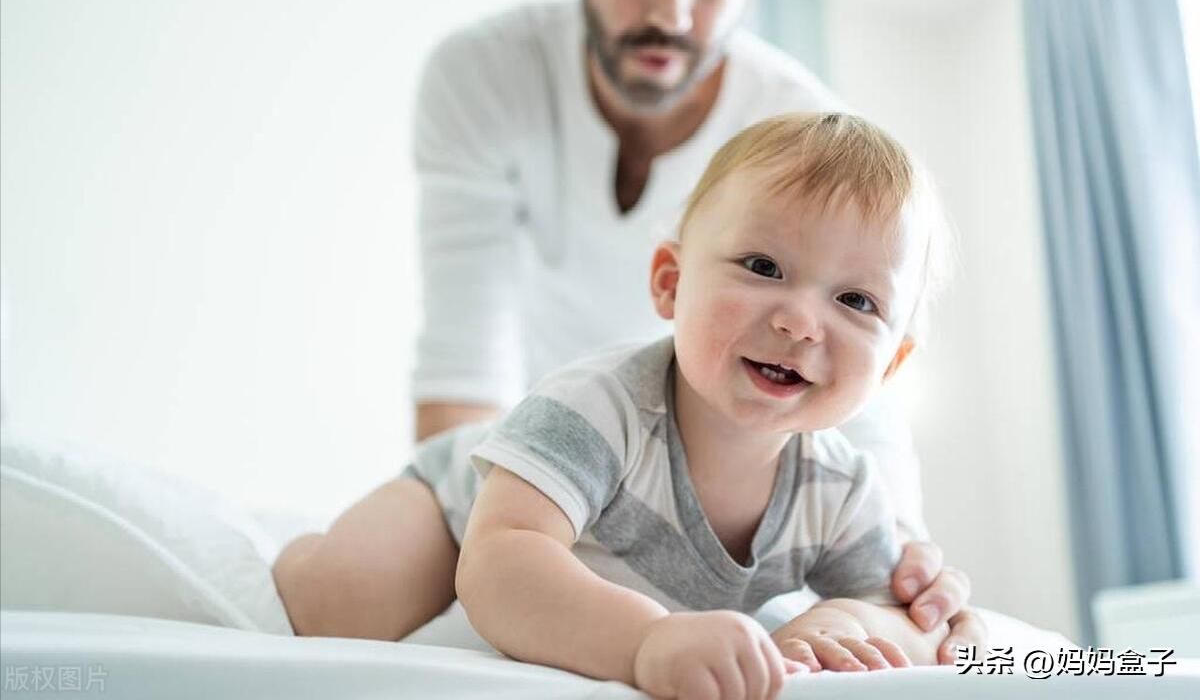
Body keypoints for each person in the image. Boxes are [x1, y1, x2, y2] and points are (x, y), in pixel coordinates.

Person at [408, 0, 980, 651]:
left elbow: (857, 395)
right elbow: (464, 351)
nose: (672, 12)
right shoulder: (482, 74)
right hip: (554, 447)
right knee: (346, 598)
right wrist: (485, 536)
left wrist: (905, 566)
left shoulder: (803, 133)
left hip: (718, 474)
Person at [275, 113, 957, 699]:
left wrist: (846, 627)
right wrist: (645, 641)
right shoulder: (598, 407)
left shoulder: (840, 491)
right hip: (470, 508)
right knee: (335, 608)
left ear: (893, 363)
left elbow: (895, 607)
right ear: (671, 282)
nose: (802, 322)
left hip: (546, 533)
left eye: (856, 301)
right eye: (762, 267)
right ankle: (303, 550)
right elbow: (499, 562)